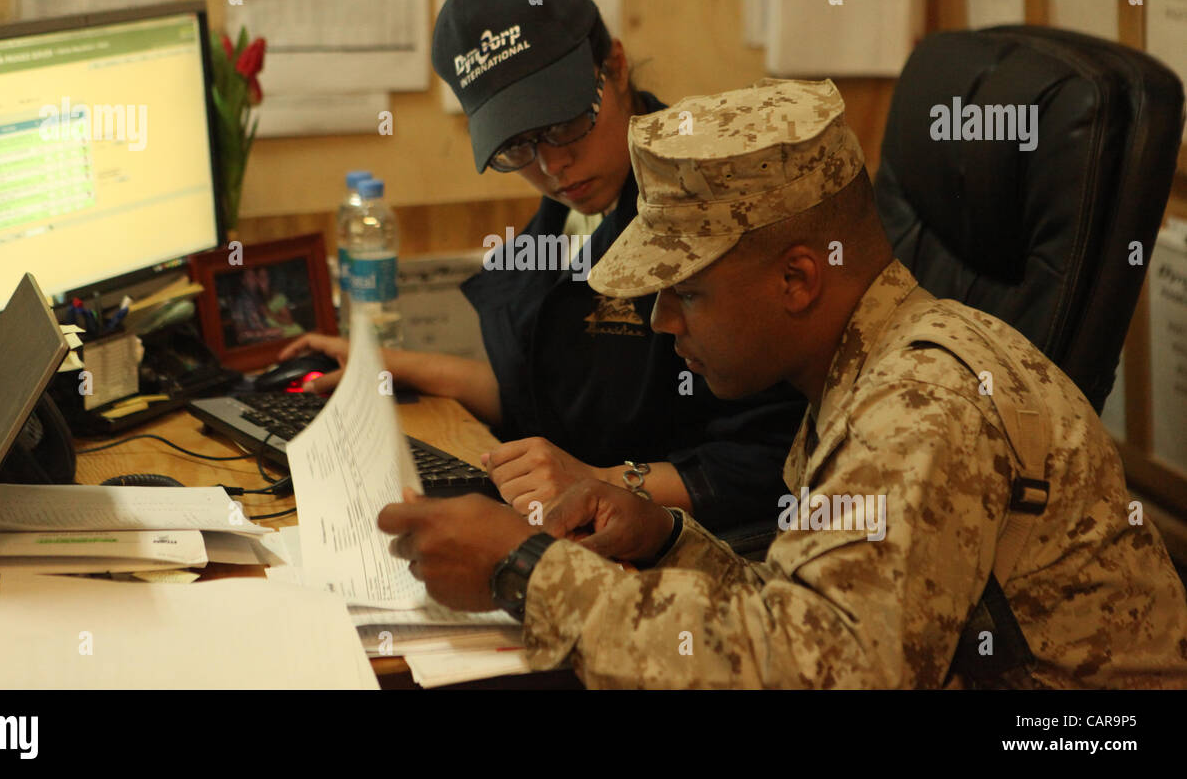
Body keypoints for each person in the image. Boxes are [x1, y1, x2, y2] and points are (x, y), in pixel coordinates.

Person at [377, 79, 1187, 688]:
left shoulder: (917, 410)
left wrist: (521, 566)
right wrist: (663, 538)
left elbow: (817, 673)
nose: (661, 322)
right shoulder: (860, 367)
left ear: (798, 280)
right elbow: (810, 612)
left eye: (684, 292)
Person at [282, 0, 805, 531]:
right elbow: (553, 392)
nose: (553, 164)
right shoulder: (572, 210)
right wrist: (395, 365)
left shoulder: (706, 207)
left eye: (564, 124)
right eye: (516, 146)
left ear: (616, 67)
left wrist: (600, 482)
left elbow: (766, 460)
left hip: (699, 547)